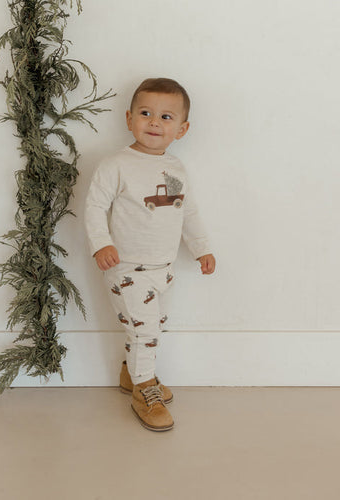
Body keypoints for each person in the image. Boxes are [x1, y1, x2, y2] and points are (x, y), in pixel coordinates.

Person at [84, 78, 216, 431]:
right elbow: (95, 206)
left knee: (152, 326)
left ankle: (132, 373)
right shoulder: (116, 164)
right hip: (126, 265)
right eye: (146, 113)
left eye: (166, 117)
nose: (155, 123)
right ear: (129, 119)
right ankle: (144, 388)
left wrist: (201, 248)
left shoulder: (174, 170)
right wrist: (101, 243)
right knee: (147, 330)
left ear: (182, 128)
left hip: (164, 267)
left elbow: (184, 210)